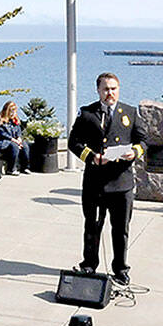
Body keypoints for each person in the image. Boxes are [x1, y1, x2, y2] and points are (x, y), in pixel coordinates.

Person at [67, 72, 146, 284]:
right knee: (92, 227)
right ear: (98, 90)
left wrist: (136, 152)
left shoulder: (130, 112)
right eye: (105, 89)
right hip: (95, 183)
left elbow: (143, 140)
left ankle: (120, 269)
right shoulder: (87, 113)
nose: (109, 92)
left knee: (121, 230)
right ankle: (89, 265)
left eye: (113, 88)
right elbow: (73, 142)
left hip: (122, 183)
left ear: (118, 89)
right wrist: (92, 157)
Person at [0, 101, 32, 175]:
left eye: (14, 111)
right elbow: (2, 133)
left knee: (25, 146)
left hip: (14, 139)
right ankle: (11, 168)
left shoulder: (15, 119)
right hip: (3, 141)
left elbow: (18, 130)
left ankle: (25, 167)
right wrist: (14, 140)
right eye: (10, 111)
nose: (12, 113)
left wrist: (19, 138)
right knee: (14, 146)